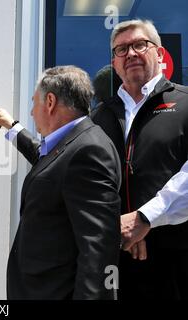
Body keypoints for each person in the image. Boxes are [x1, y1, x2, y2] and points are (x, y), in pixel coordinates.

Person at [0, 65, 121, 300]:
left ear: (50, 102)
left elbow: (98, 248)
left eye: (33, 103)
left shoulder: (89, 150)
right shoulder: (75, 143)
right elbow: (50, 162)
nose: (31, 113)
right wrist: (12, 128)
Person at [91, 19, 188, 299]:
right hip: (115, 258)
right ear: (115, 62)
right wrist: (120, 228)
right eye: (121, 49)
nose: (131, 53)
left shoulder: (184, 103)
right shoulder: (100, 116)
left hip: (175, 258)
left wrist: (145, 219)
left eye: (139, 45)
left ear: (159, 53)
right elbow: (88, 179)